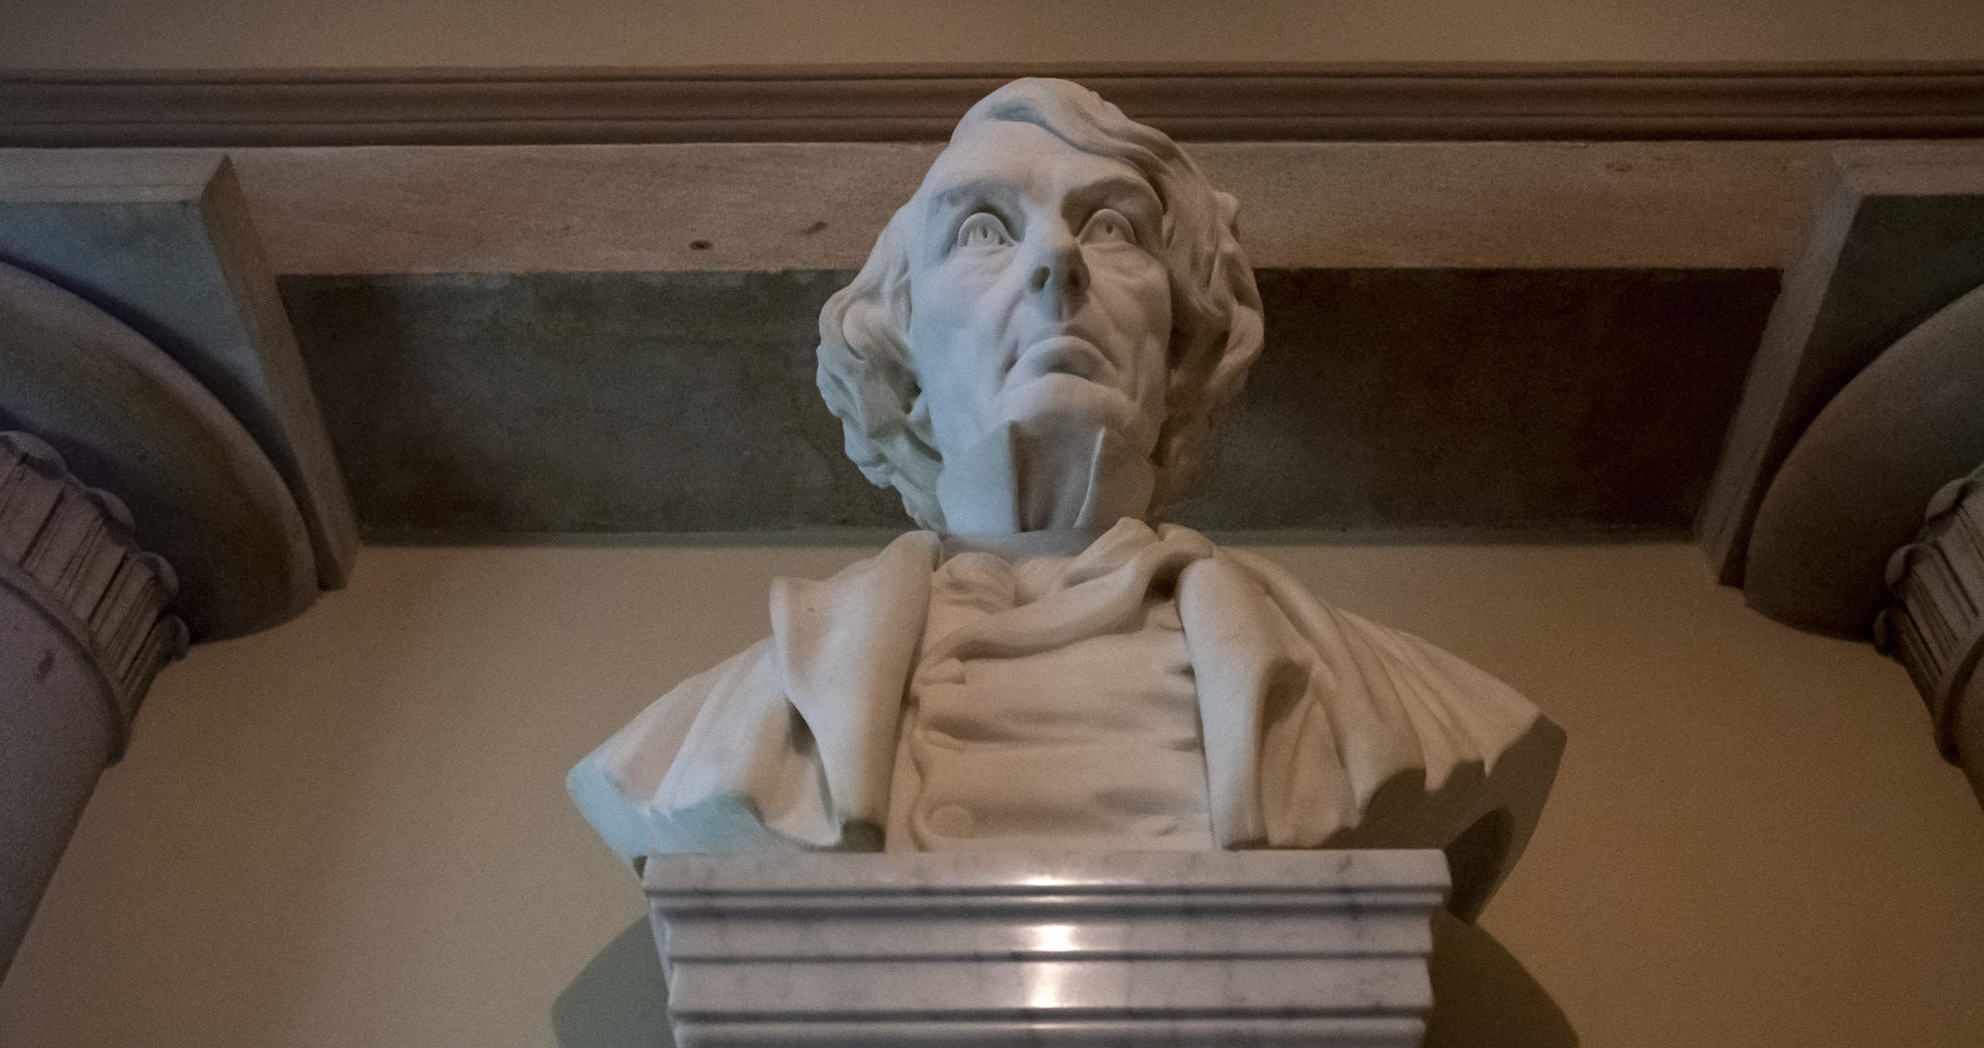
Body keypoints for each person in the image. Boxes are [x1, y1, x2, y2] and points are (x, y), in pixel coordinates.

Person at [570, 78, 1559, 882]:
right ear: (904, 365)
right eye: (984, 230)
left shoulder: (1391, 709)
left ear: (1182, 349)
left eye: (1113, 227)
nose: (1055, 262)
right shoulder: (704, 744)